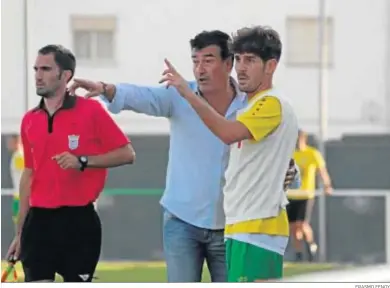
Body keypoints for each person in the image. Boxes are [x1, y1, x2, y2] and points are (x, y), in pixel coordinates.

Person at [69, 30, 300, 283]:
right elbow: (140, 96)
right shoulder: (178, 95)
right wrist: (105, 88)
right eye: (195, 61)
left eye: (208, 60)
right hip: (183, 221)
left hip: (234, 225)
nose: (200, 69)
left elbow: (269, 149)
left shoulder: (255, 103)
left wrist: (290, 169)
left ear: (227, 63)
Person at [158, 26, 299, 282]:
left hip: (258, 227)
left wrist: (189, 94)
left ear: (271, 66)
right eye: (240, 59)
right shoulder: (253, 105)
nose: (241, 68)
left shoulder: (272, 102)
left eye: (251, 60)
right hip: (241, 226)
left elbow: (227, 132)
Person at [5, 44, 136, 282]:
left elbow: (127, 154)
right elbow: (28, 176)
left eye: (45, 69)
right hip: (38, 223)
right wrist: (20, 234)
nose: (37, 75)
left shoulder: (91, 111)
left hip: (79, 222)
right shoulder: (29, 120)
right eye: (36, 69)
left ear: (65, 75)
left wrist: (83, 161)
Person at [287, 130, 333, 262]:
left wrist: (327, 185)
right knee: (294, 228)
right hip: (290, 195)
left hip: (305, 194)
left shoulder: (312, 154)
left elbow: (322, 171)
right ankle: (299, 254)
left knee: (302, 224)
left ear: (303, 140)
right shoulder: (289, 154)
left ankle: (311, 245)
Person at [6, 135, 24, 225]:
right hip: (19, 195)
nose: (7, 144)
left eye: (10, 142)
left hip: (20, 196)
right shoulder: (17, 155)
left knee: (19, 223)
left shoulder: (19, 156)